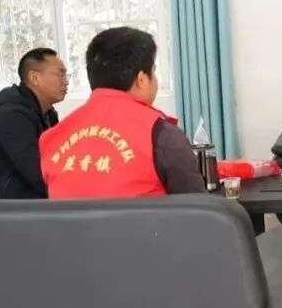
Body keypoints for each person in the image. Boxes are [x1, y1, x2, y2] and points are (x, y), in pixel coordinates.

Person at [40, 26, 205, 198]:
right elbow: (197, 208)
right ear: (142, 79)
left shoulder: (51, 138)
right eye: (154, 71)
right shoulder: (161, 134)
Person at [0, 48, 67, 199]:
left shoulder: (48, 114)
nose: (66, 81)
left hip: (26, 200)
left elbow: (58, 160)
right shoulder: (10, 117)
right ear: (35, 77)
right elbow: (39, 174)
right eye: (60, 74)